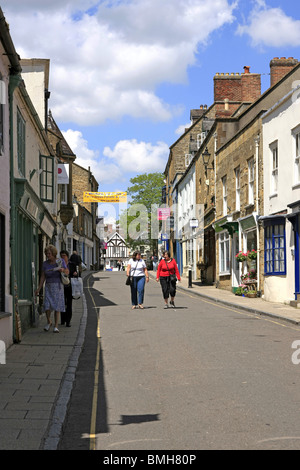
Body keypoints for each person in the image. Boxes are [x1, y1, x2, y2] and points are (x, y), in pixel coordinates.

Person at [35, 245, 69, 333]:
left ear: (53, 253)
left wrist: (62, 270)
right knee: (47, 306)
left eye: (49, 253)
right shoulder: (45, 264)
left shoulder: (60, 261)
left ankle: (56, 326)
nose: (47, 255)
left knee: (57, 307)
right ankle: (49, 321)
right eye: (46, 253)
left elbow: (67, 271)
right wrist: (39, 288)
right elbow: (43, 276)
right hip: (48, 286)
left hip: (58, 286)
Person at [60, 250, 78, 327]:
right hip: (61, 286)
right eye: (61, 256)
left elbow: (76, 274)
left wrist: (75, 273)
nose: (63, 257)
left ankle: (68, 321)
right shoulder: (59, 265)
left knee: (69, 304)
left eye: (64, 255)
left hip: (70, 286)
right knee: (62, 303)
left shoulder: (72, 264)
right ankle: (62, 319)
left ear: (67, 256)